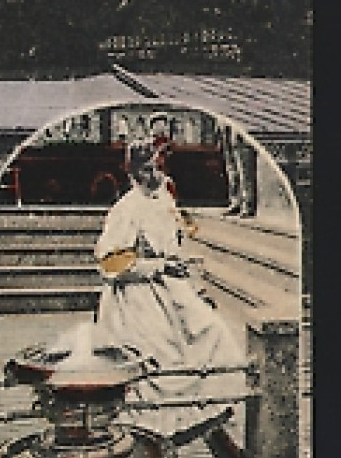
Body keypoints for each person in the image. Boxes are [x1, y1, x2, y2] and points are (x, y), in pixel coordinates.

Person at [94, 157, 246, 436]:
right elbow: (110, 266)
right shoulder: (125, 209)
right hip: (137, 295)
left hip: (171, 288)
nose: (157, 175)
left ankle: (207, 409)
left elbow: (176, 245)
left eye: (159, 168)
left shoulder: (163, 200)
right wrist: (158, 266)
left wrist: (190, 281)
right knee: (159, 354)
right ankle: (156, 428)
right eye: (148, 169)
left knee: (212, 329)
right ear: (133, 172)